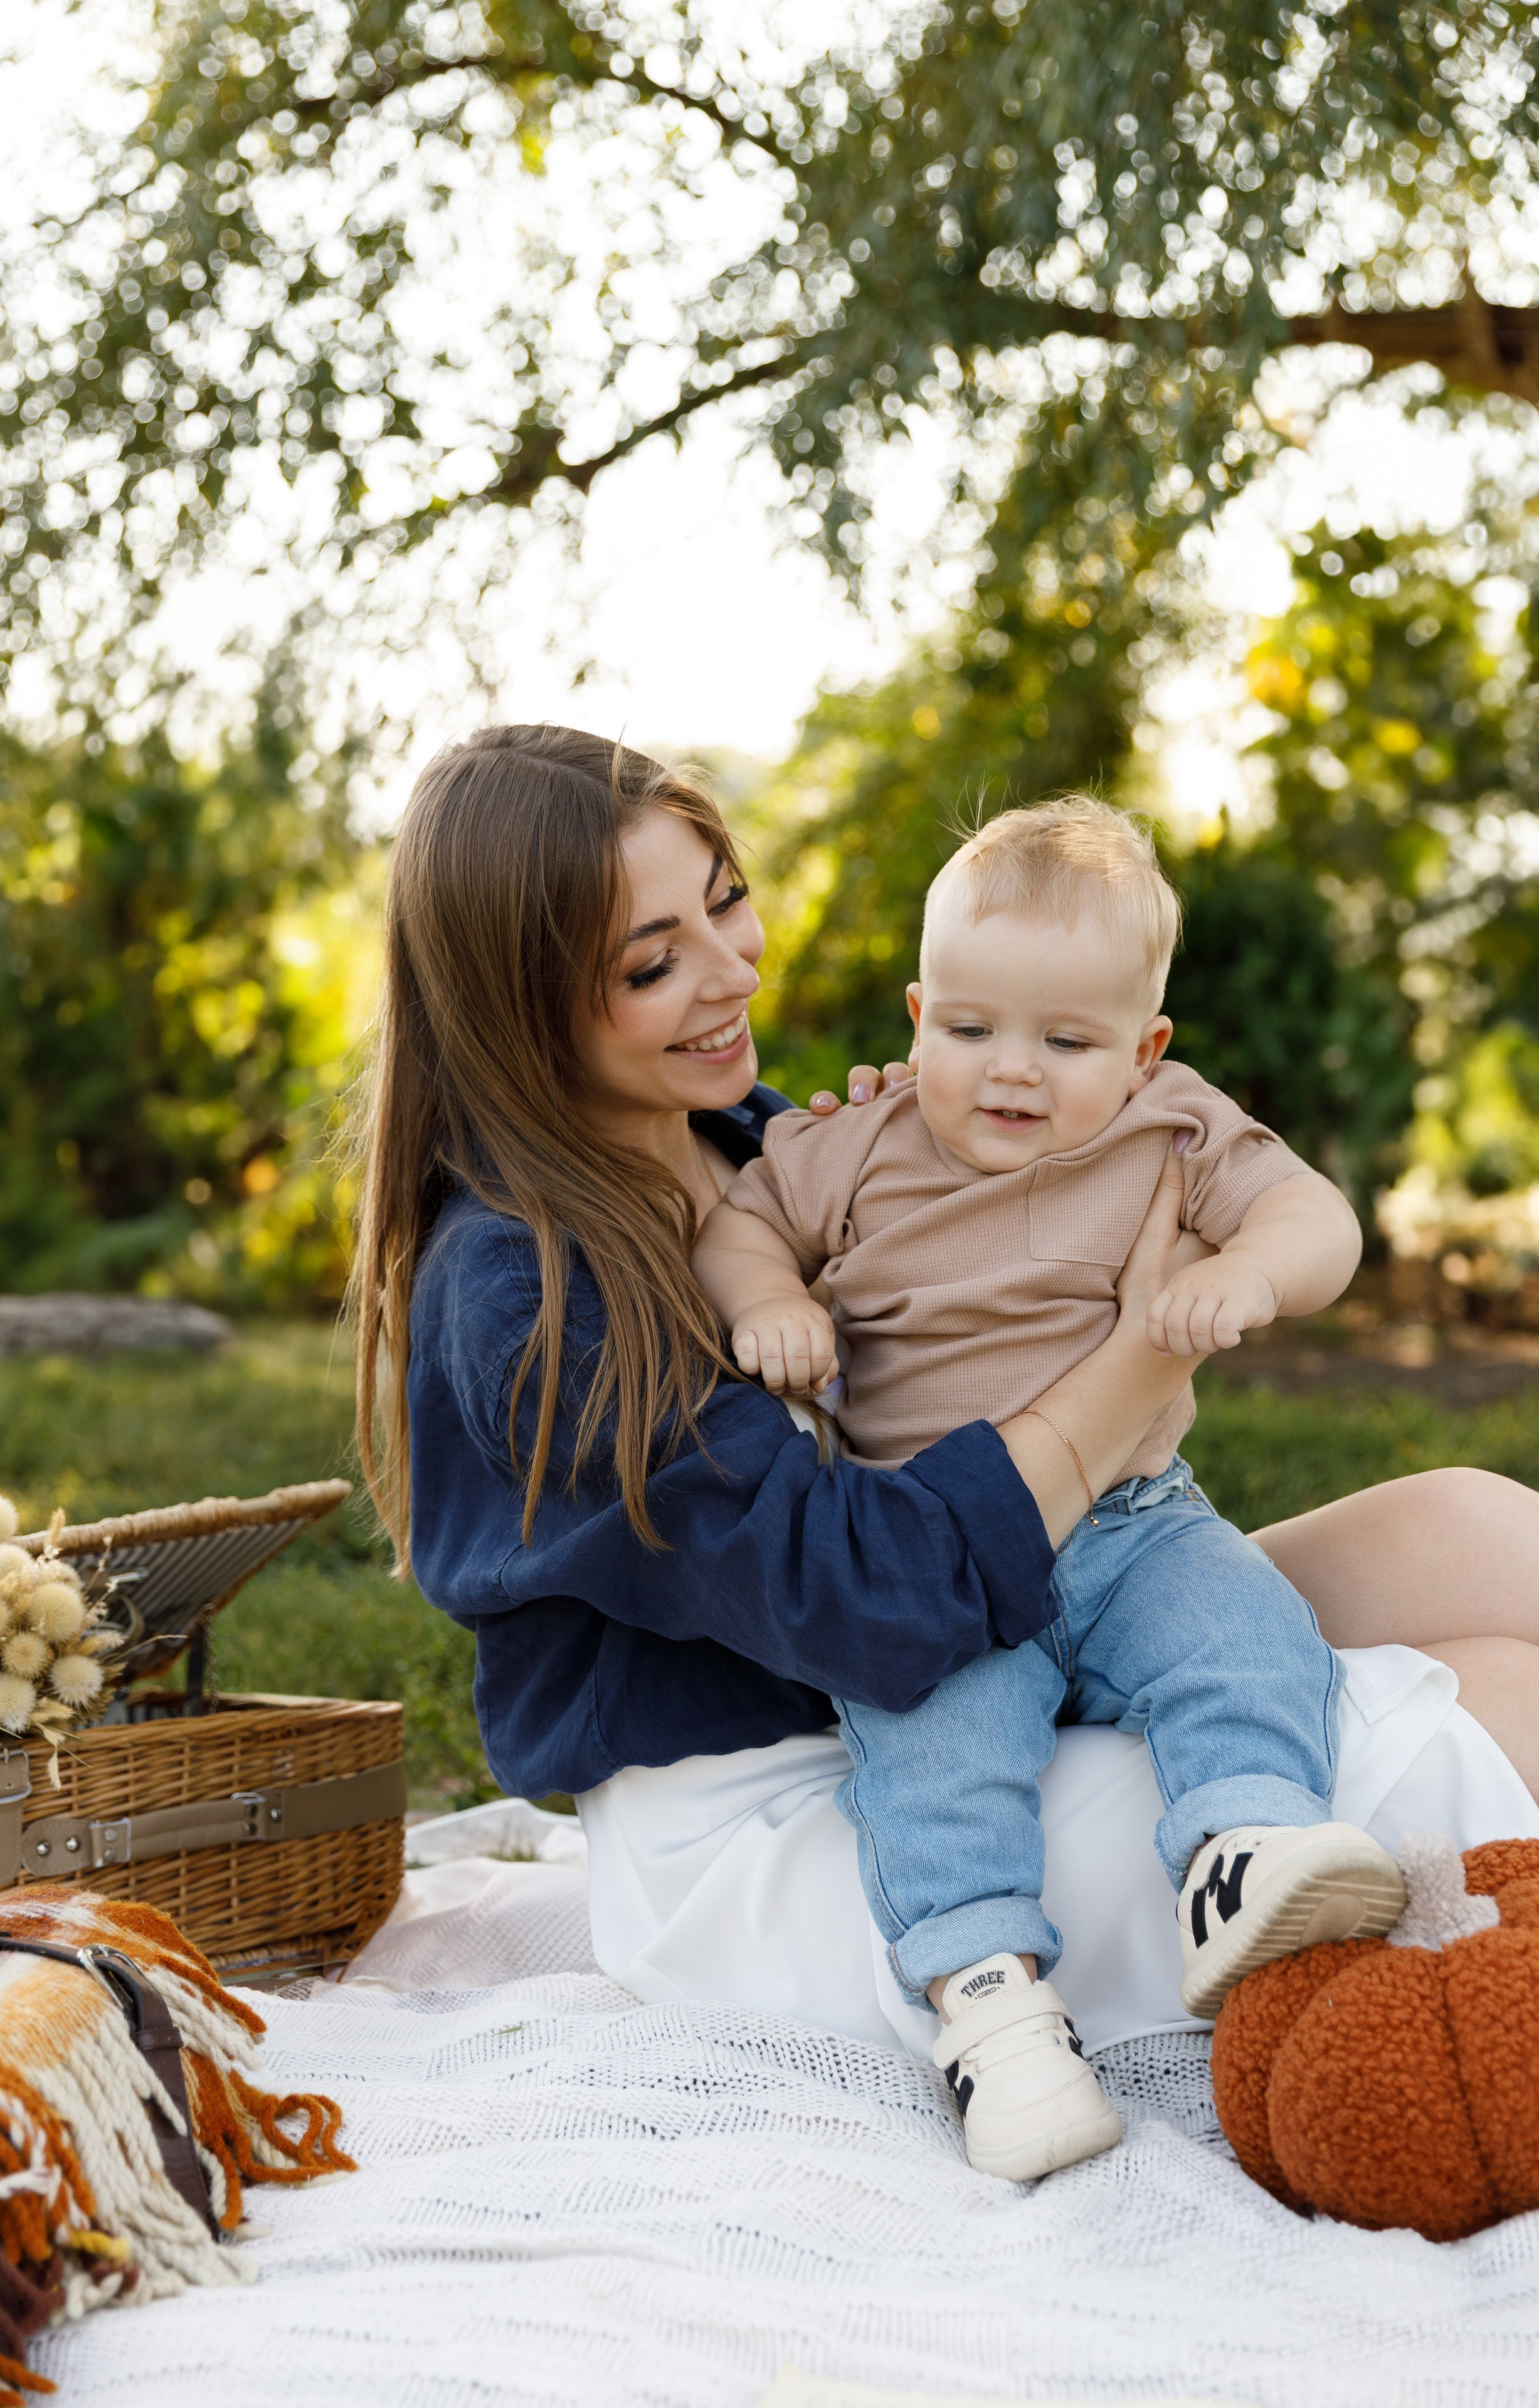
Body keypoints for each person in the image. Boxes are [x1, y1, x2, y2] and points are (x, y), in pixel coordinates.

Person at [350, 723, 1539, 2116]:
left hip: (1013, 1620)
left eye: (723, 901)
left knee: (1478, 1530)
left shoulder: (749, 1141)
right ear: (519, 1006)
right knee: (1486, 1706)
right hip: (815, 1795)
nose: (730, 973)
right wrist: (1140, 1361)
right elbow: (867, 1596)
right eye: (649, 962)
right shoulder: (520, 1291)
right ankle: (1075, 1958)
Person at [690, 798, 1402, 2180]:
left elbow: (1316, 1216)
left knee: (1243, 1633)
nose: (1009, 1072)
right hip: (941, 1558)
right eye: (967, 1030)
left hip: (1133, 1526)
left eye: (1064, 1043)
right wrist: (770, 1298)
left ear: (1142, 1051)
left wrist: (1244, 1271)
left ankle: (1241, 1848)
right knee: (935, 1756)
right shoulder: (856, 1143)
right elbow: (740, 1223)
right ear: (915, 1017)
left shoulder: (1168, 1127)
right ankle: (991, 2011)